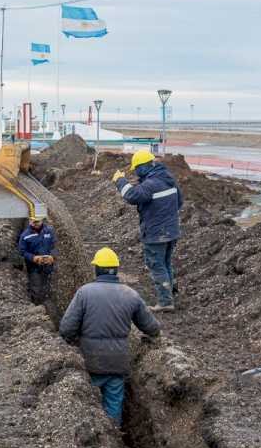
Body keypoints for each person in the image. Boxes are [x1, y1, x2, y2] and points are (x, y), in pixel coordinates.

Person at [59, 247, 160, 426]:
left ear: (97, 269)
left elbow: (67, 328)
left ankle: (99, 439)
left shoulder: (85, 293)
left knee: (90, 402)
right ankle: (114, 435)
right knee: (113, 403)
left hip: (91, 360)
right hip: (118, 361)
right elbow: (151, 328)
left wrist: (71, 342)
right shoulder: (131, 294)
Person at [112, 150, 183, 312]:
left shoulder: (151, 184)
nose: (136, 172)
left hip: (156, 233)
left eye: (136, 168)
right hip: (171, 231)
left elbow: (131, 196)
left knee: (156, 264)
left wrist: (120, 180)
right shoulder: (169, 179)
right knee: (165, 262)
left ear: (143, 167)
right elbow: (179, 202)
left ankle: (165, 302)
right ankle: (169, 292)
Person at [17, 217, 57, 305]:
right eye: (33, 221)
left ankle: (48, 304)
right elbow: (22, 251)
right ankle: (37, 305)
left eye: (37, 221)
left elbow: (54, 245)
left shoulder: (49, 231)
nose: (35, 223)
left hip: (48, 265)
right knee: (36, 287)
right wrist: (33, 258)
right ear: (29, 221)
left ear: (42, 220)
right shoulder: (25, 235)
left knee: (48, 286)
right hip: (34, 267)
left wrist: (52, 256)